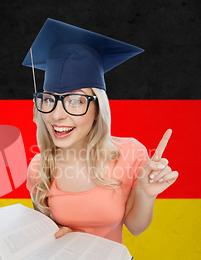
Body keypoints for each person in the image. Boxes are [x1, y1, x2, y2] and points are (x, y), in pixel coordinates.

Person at [23, 19, 179, 244]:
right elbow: (43, 232)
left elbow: (135, 227)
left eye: (75, 101)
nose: (57, 115)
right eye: (49, 100)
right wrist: (55, 234)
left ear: (97, 109)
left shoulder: (130, 153)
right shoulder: (39, 167)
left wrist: (145, 193)